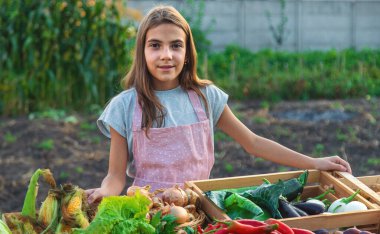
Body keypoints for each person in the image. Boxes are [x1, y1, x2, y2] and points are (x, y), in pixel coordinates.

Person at [86, 5, 351, 204]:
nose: (166, 55)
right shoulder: (125, 106)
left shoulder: (206, 97)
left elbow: (253, 143)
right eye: (155, 45)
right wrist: (104, 192)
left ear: (187, 54)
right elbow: (116, 177)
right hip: (146, 210)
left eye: (176, 46)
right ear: (142, 53)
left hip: (202, 207)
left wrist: (313, 162)